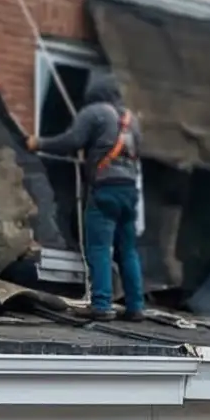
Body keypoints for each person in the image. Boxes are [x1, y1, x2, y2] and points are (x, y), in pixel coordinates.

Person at [35, 75, 144, 320]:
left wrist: (39, 143)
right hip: (130, 190)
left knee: (99, 247)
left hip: (106, 189)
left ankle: (102, 305)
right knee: (128, 250)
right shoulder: (132, 120)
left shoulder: (95, 112)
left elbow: (72, 141)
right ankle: (136, 307)